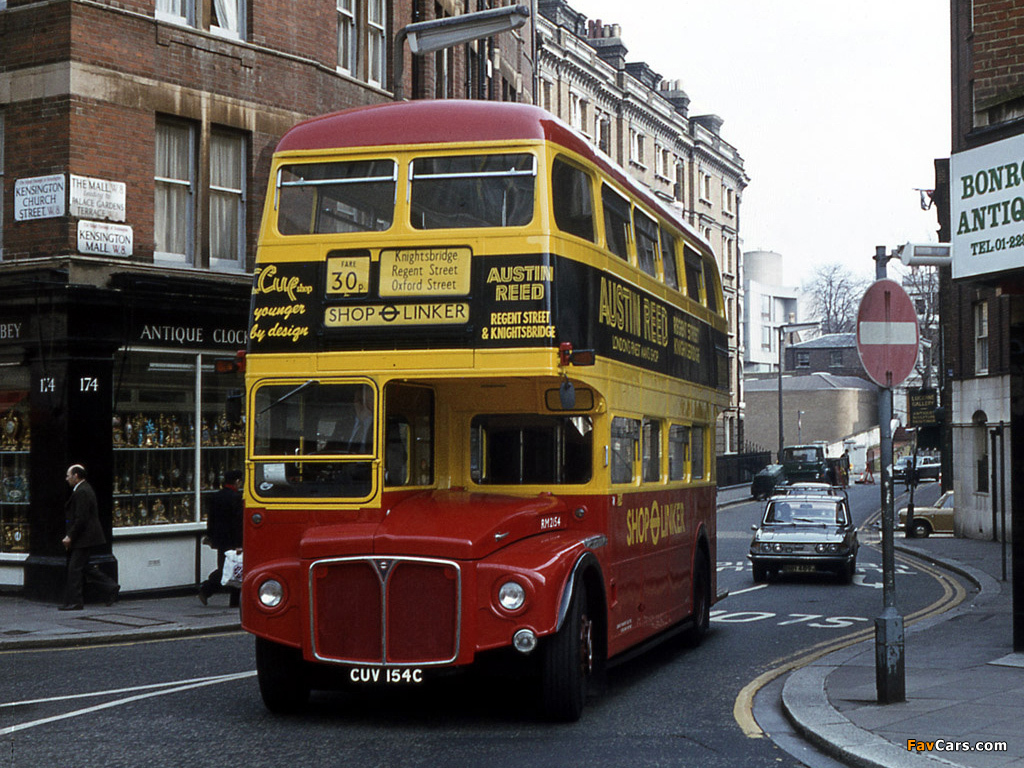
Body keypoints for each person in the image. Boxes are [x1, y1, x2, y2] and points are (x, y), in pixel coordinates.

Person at [61, 464, 120, 610]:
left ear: (76, 476)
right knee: (85, 567)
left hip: (84, 537)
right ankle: (111, 587)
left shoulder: (82, 491)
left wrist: (70, 536)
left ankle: (76, 602)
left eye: (68, 476)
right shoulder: (83, 489)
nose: (66, 479)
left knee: (74, 569)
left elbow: (81, 518)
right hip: (86, 536)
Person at [198, 469, 244, 607]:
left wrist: (210, 536)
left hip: (220, 539)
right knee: (234, 568)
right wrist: (239, 543)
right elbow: (238, 523)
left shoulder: (216, 496)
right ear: (237, 481)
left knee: (227, 567)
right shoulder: (237, 498)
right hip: (233, 539)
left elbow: (211, 519)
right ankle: (208, 589)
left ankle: (211, 591)